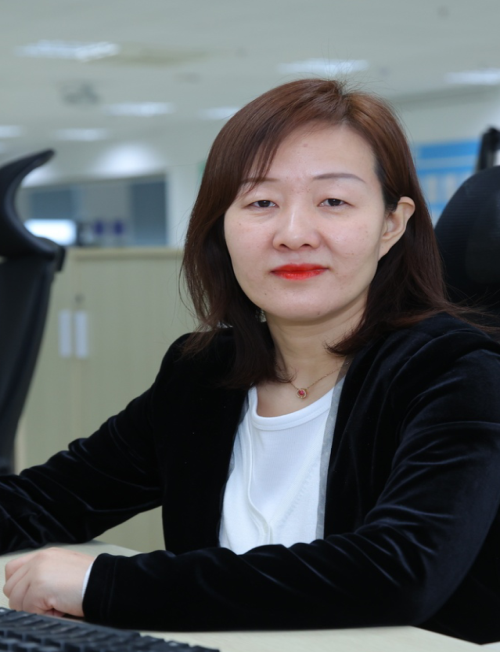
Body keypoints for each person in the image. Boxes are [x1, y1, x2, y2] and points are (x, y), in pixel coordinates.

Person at [2, 78, 500, 645]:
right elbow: (47, 500)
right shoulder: (203, 372)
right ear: (222, 225)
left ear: (391, 223)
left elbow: (398, 572)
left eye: (333, 202)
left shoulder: (457, 373)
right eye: (262, 203)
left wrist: (105, 583)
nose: (294, 234)